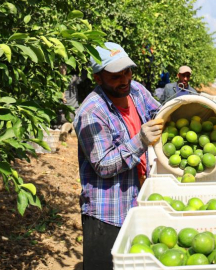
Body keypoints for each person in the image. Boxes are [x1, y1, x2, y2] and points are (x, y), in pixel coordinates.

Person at [73, 42, 163, 269]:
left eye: (127, 72)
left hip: (138, 199)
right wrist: (140, 140)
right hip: (109, 212)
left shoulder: (136, 91)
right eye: (115, 76)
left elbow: (159, 112)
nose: (124, 80)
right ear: (98, 78)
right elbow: (103, 164)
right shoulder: (92, 113)